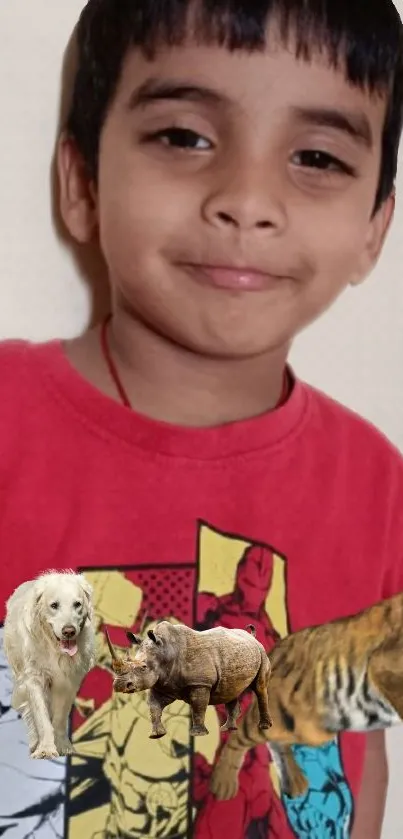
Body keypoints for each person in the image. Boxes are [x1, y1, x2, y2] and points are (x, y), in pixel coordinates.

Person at [0, 0, 402, 837]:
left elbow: (354, 753)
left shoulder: (376, 483)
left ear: (375, 227)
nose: (247, 200)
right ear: (82, 184)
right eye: (185, 137)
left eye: (317, 156)